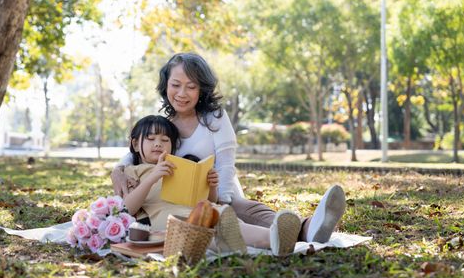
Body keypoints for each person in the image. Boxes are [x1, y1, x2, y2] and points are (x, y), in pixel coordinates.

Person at [111, 52, 346, 244]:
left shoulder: (214, 117)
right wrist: (118, 170)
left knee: (245, 210)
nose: (182, 94)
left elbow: (225, 164)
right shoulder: (164, 125)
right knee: (225, 216)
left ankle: (306, 227)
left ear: (201, 89)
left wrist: (221, 199)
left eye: (191, 87)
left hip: (220, 189)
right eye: (175, 85)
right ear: (166, 86)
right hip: (180, 201)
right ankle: (302, 231)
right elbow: (137, 152)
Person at [122, 114, 302, 255]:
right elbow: (127, 208)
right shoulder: (131, 172)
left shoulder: (180, 166)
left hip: (198, 212)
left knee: (222, 217)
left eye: (164, 140)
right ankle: (231, 245)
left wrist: (212, 186)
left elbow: (208, 199)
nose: (158, 144)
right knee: (206, 232)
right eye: (151, 139)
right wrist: (153, 176)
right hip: (172, 222)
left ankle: (274, 238)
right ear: (136, 144)